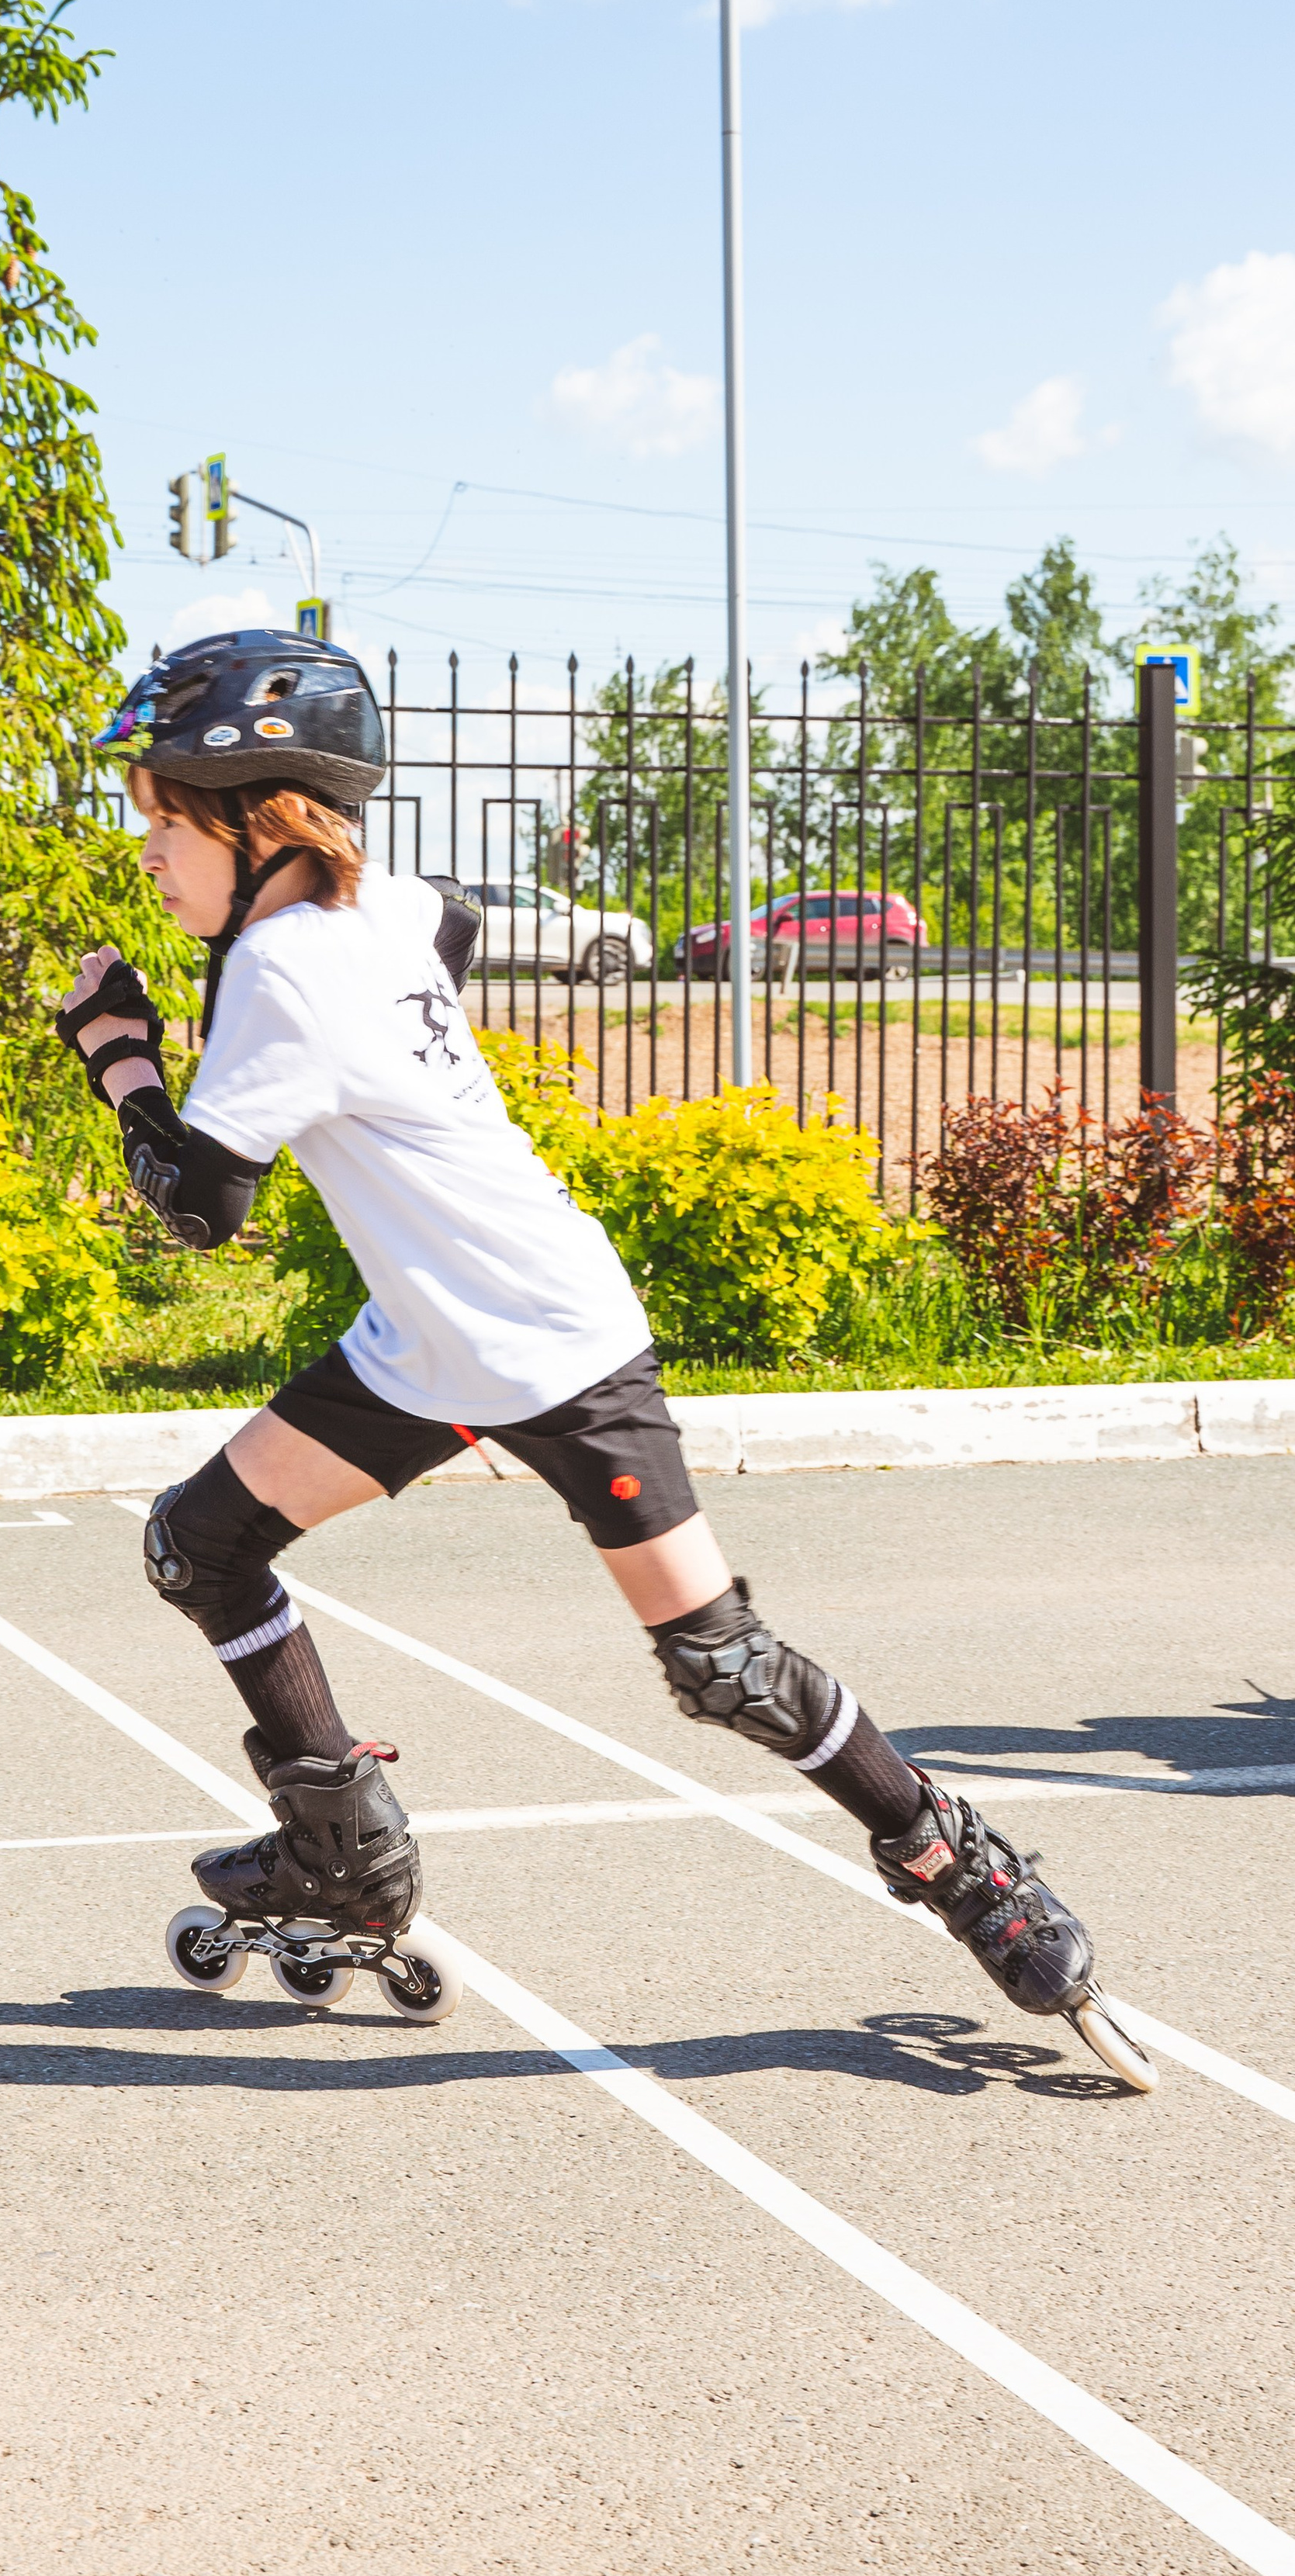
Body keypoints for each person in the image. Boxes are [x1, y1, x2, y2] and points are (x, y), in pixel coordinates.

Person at [56, 628, 1112, 2043]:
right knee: (204, 1540)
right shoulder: (381, 909)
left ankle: (957, 1863)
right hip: (429, 1341)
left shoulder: (287, 971)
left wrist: (116, 1053)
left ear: (265, 823)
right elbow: (450, 934)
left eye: (163, 823)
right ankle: (342, 1858)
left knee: (722, 1664)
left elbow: (199, 1206)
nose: (146, 854)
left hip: (552, 1343)